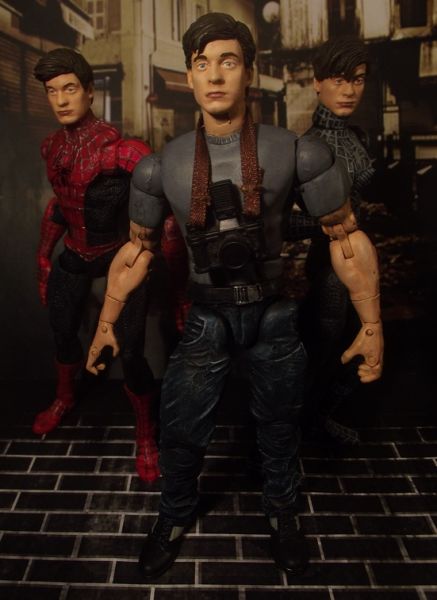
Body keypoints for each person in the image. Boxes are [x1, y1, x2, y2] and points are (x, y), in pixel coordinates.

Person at [86, 13, 383, 579]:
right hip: (207, 316)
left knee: (281, 425)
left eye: (228, 61)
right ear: (189, 76)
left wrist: (372, 326)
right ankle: (174, 515)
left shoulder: (298, 152)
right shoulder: (159, 167)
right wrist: (106, 322)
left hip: (273, 314)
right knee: (181, 427)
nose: (215, 75)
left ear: (249, 71)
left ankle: (282, 514)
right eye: (202, 64)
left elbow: (347, 240)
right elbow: (136, 253)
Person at [32, 48, 188, 482]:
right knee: (63, 332)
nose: (61, 100)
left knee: (132, 351)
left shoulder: (123, 152)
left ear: (89, 92)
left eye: (69, 89)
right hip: (74, 254)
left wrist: (178, 290)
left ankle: (146, 432)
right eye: (52, 92)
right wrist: (44, 257)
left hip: (121, 258)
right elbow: (59, 208)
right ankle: (65, 397)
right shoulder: (52, 147)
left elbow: (165, 218)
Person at [297, 37, 376, 443]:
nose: (348, 90)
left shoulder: (357, 136)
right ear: (317, 83)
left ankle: (319, 419)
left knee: (354, 341)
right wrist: (330, 223)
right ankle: (300, 428)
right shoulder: (308, 146)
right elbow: (285, 221)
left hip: (359, 262)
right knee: (325, 347)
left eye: (357, 80)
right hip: (329, 267)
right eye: (338, 79)